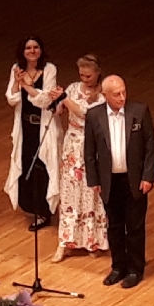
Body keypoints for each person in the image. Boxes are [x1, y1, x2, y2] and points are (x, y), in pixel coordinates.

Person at [83, 75, 154, 289]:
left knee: (135, 226)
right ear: (105, 95)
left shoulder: (139, 111)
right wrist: (94, 179)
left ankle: (135, 269)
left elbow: (150, 146)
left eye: (124, 92)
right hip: (109, 180)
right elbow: (89, 151)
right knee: (114, 226)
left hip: (134, 179)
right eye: (116, 94)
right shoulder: (94, 115)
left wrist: (148, 176)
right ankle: (118, 267)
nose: (122, 97)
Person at [53, 54, 108, 262]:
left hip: (91, 146)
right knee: (70, 193)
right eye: (82, 75)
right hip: (72, 146)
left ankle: (91, 240)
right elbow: (60, 110)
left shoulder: (102, 95)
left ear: (97, 73)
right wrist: (56, 102)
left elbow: (86, 114)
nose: (84, 79)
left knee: (90, 193)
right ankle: (65, 242)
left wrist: (64, 99)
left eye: (88, 75)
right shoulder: (74, 88)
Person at [3, 36, 61, 229]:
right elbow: (12, 99)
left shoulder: (49, 69)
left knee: (43, 167)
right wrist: (17, 82)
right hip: (25, 126)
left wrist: (27, 86)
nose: (32, 51)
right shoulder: (16, 69)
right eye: (28, 48)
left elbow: (45, 100)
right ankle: (32, 208)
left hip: (43, 126)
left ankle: (45, 211)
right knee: (25, 164)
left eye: (36, 47)